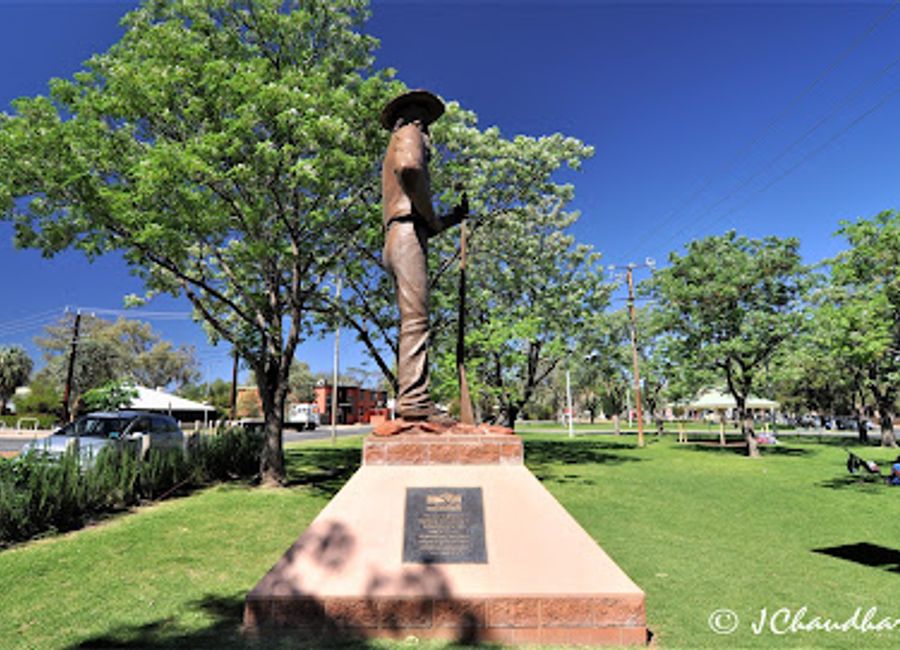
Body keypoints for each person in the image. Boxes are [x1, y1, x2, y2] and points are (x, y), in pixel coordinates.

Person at [380, 90, 466, 421]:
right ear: (417, 120)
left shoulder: (394, 145)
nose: (428, 134)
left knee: (412, 318)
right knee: (416, 320)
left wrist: (451, 219)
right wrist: (430, 217)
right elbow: (410, 167)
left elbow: (422, 217)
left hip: (399, 235)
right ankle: (415, 401)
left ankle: (413, 397)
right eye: (426, 125)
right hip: (406, 235)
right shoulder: (409, 133)